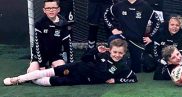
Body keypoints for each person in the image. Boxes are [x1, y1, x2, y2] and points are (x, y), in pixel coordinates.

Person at [4, 39, 137, 86]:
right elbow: (85, 59)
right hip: (76, 67)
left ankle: (32, 79)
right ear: (110, 50)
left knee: (52, 82)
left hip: (81, 79)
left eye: (120, 53)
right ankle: (18, 79)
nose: (117, 55)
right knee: (48, 72)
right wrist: (95, 50)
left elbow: (133, 78)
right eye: (115, 52)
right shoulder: (102, 54)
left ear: (124, 53)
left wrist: (117, 80)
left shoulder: (123, 66)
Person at [104, 0, 161, 73]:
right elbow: (106, 15)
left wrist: (150, 37)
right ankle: (113, 66)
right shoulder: (118, 6)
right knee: (112, 39)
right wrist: (113, 28)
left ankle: (130, 62)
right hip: (123, 38)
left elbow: (157, 21)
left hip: (137, 41)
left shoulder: (145, 6)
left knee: (137, 69)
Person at [28, 0, 73, 74]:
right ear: (44, 10)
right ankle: (32, 68)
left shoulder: (64, 24)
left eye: (54, 8)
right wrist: (42, 65)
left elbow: (68, 46)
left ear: (58, 9)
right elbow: (38, 46)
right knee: (33, 73)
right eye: (48, 8)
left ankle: (52, 68)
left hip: (55, 55)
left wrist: (71, 65)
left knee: (62, 71)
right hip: (40, 56)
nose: (51, 10)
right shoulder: (39, 24)